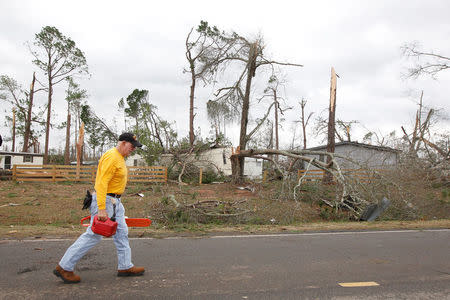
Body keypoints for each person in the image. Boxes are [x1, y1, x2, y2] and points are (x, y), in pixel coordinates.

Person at [54, 132, 145, 284]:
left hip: (116, 202)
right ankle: (64, 267)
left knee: (122, 233)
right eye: (131, 146)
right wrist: (102, 208)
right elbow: (101, 183)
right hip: (106, 201)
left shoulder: (119, 158)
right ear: (122, 143)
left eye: (135, 147)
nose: (133, 149)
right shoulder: (112, 156)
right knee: (94, 235)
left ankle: (125, 266)